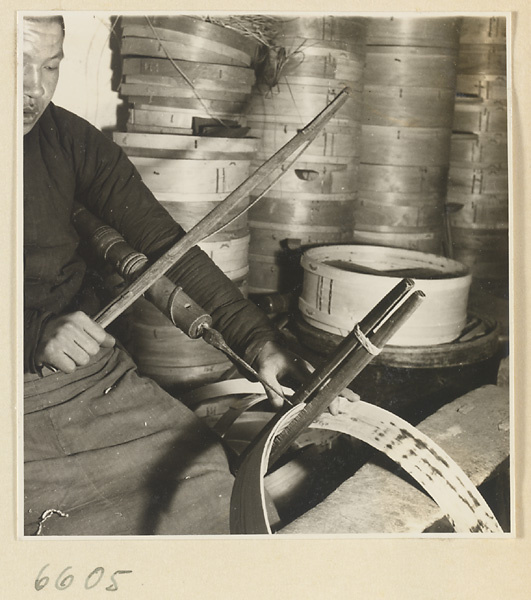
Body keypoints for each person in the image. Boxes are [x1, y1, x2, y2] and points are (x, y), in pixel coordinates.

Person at [22, 14, 310, 536]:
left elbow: (166, 246)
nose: (32, 89)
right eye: (14, 66)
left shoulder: (66, 139)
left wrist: (256, 340)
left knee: (204, 484)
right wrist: (31, 336)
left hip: (89, 381)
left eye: (50, 66)